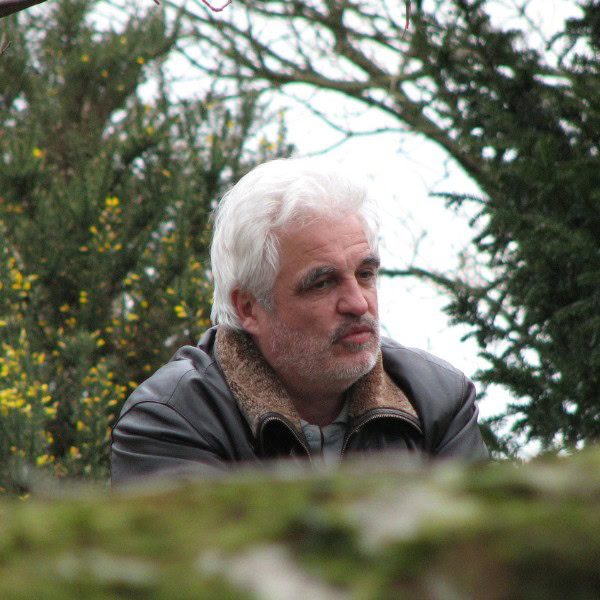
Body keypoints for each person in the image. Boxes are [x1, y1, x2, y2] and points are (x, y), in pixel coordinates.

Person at [111, 158, 488, 485]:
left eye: (366, 274)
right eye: (321, 283)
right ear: (249, 308)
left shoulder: (437, 400)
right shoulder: (173, 419)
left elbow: (480, 558)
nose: (358, 303)